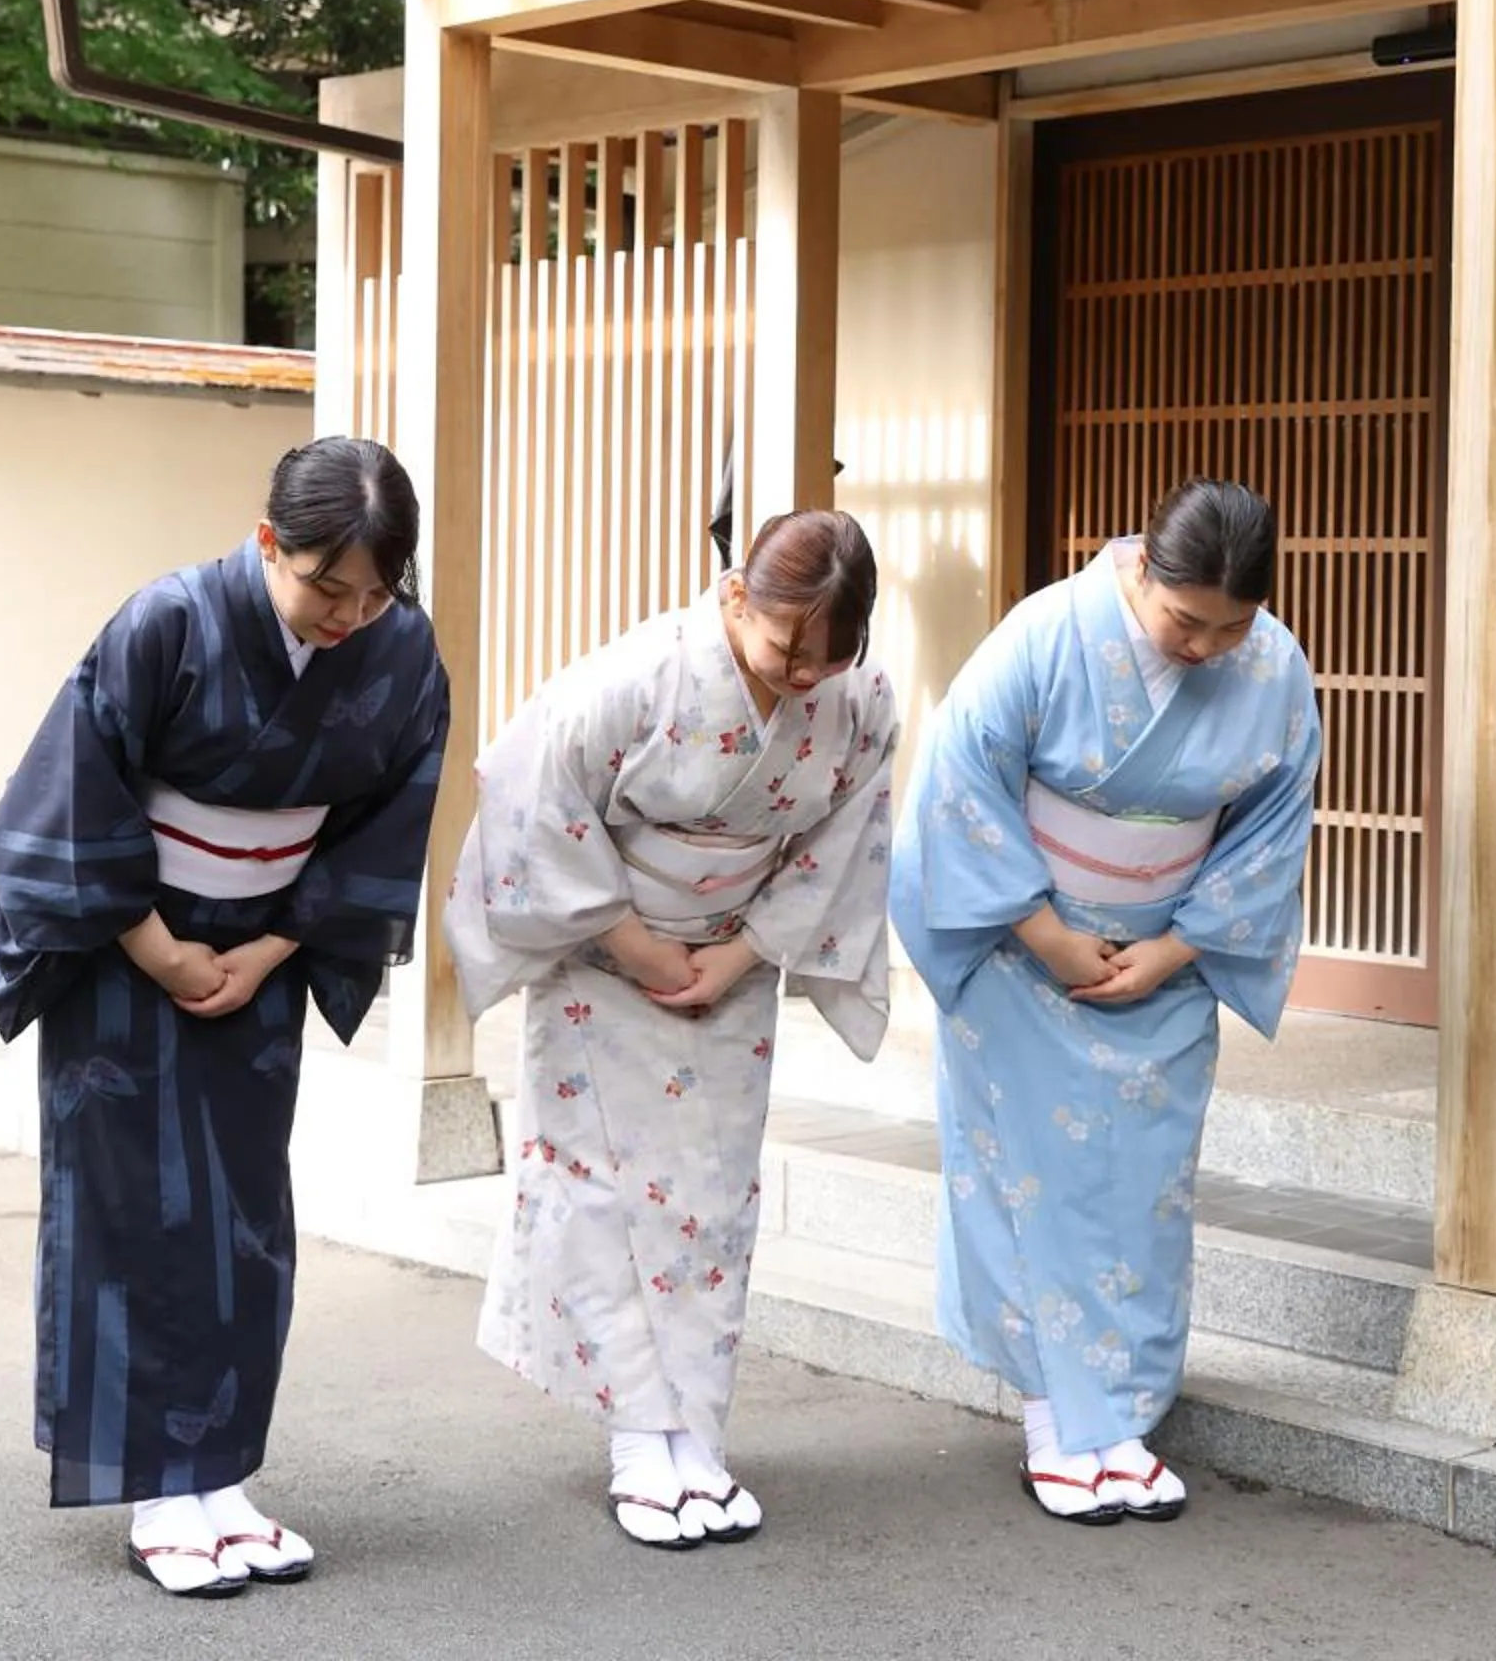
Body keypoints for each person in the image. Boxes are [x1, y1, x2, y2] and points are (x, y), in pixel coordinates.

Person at [0, 435, 452, 1598]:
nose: (349, 612)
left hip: (259, 958)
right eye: (323, 584)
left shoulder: (402, 652)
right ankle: (155, 1489)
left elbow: (391, 816)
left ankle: (223, 1476)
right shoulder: (169, 621)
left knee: (243, 1216)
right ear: (265, 542)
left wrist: (271, 947)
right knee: (138, 1211)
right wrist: (161, 947)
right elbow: (71, 785)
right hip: (125, 950)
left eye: (375, 591)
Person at [445, 510, 899, 1549]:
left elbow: (844, 834)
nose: (801, 677)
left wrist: (740, 954)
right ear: (738, 597)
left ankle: (696, 1431)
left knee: (710, 1198)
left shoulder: (860, 703)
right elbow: (527, 791)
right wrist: (640, 944)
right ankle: (637, 1438)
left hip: (730, 963)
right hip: (606, 955)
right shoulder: (639, 678)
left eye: (825, 662)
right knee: (603, 1188)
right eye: (787, 647)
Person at [890, 478, 1321, 1525]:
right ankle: (1056, 1418)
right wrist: (1046, 932)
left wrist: (1175, 947)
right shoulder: (1046, 634)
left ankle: (1120, 1418)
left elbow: (1272, 827)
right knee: (1025, 1178)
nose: (1206, 645)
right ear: (1139, 571)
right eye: (1184, 619)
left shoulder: (1274, 666)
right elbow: (958, 785)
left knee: (1144, 1189)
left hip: (1164, 959)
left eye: (1231, 624)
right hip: (1023, 953)